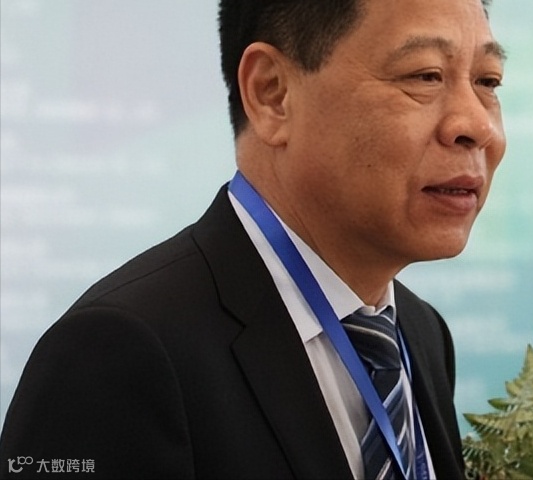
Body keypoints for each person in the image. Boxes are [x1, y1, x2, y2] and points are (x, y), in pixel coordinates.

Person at [0, 0, 506, 478]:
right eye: (424, 75)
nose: (477, 125)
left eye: (487, 81)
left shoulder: (418, 332)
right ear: (272, 94)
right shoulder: (120, 354)